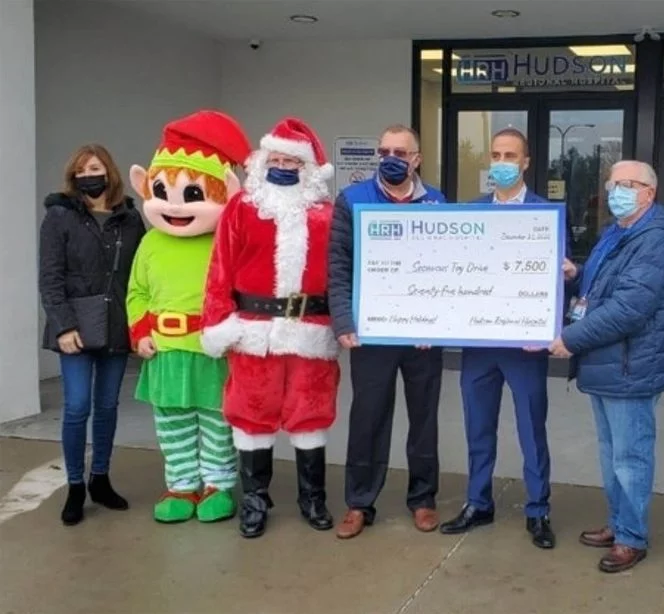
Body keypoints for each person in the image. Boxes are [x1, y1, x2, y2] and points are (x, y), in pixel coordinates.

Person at [200, 117, 340, 538]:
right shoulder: (241, 208)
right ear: (262, 161)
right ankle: (255, 500)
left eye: (290, 161)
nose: (281, 166)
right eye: (275, 159)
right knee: (251, 416)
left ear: (307, 168)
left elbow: (342, 275)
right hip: (252, 332)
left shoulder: (328, 216)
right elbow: (219, 270)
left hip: (311, 331)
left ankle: (312, 497)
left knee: (310, 414)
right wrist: (218, 322)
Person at [550, 160, 664, 573]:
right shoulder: (618, 231)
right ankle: (619, 522)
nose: (617, 191)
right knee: (611, 454)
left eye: (629, 184)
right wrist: (577, 274)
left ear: (649, 192)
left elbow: (628, 309)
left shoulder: (654, 239)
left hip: (630, 364)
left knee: (630, 457)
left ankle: (631, 538)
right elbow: (602, 288)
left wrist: (570, 339)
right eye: (613, 184)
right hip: (609, 363)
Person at [126, 110, 251, 524]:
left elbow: (241, 290)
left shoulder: (226, 241)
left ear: (226, 192)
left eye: (192, 194)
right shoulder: (151, 243)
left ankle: (217, 484)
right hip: (165, 352)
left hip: (210, 351)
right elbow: (137, 292)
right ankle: (181, 484)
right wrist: (140, 330)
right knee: (172, 422)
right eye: (161, 190)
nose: (173, 205)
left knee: (216, 420)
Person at [439, 128, 556, 549]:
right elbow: (451, 273)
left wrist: (565, 277)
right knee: (478, 427)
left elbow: (559, 278)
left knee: (531, 431)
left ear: (526, 163)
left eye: (510, 156)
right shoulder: (470, 213)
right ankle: (478, 502)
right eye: (496, 155)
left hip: (525, 347)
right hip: (480, 346)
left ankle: (538, 510)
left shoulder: (546, 215)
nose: (502, 163)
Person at [328, 124, 446, 539]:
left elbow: (445, 267)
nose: (390, 159)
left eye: (400, 152)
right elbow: (337, 265)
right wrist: (343, 321)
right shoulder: (352, 199)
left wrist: (438, 321)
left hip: (422, 337)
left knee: (424, 418)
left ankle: (423, 499)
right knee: (368, 418)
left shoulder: (437, 202)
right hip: (371, 333)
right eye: (384, 151)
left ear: (417, 159)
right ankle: (359, 502)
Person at [39, 144, 146, 526]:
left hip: (116, 323)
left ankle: (100, 478)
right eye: (82, 171)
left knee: (107, 406)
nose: (89, 176)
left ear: (109, 172)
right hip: (75, 327)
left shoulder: (130, 219)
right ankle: (74, 485)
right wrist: (64, 325)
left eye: (95, 168)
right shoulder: (60, 216)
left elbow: (141, 273)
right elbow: (50, 277)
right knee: (77, 406)